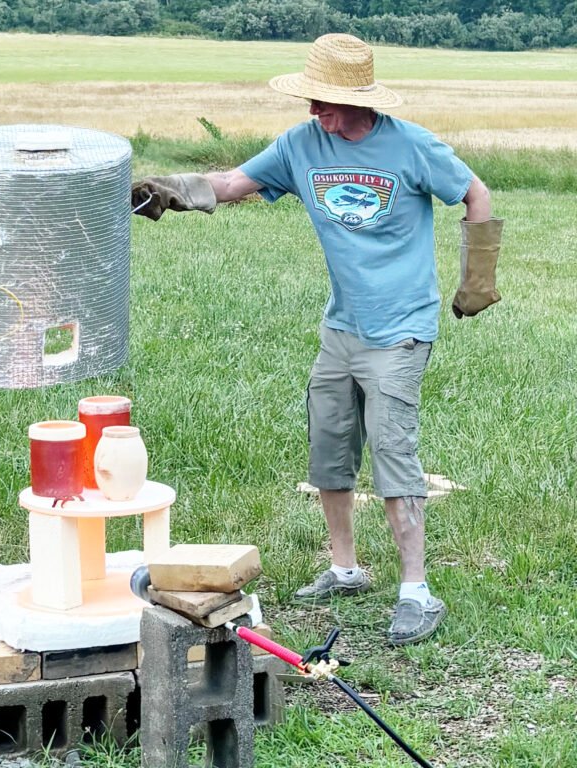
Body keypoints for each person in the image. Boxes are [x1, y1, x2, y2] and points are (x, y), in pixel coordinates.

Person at [132, 34, 502, 646]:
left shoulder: (411, 146)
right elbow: (231, 184)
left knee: (393, 451)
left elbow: (474, 190)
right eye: (310, 100)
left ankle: (417, 591)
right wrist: (166, 189)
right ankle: (345, 568)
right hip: (342, 328)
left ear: (359, 101)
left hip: (401, 328)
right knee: (330, 446)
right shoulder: (303, 145)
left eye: (324, 102)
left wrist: (478, 277)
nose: (313, 112)